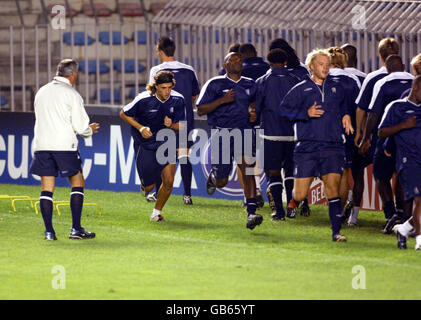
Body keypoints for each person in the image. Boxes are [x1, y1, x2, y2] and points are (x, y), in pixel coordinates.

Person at [280, 49, 354, 242]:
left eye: (328, 64)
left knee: (333, 189)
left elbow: (345, 105)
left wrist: (346, 115)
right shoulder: (301, 88)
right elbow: (284, 111)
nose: (326, 67)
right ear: (312, 67)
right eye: (321, 64)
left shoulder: (337, 87)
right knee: (301, 192)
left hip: (333, 146)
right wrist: (305, 113)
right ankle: (294, 201)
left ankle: (336, 232)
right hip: (307, 148)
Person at [29, 59, 99, 241]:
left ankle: (49, 232)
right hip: (64, 146)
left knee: (47, 188)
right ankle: (76, 229)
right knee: (77, 182)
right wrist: (89, 130)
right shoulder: (72, 95)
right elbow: (81, 126)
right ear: (73, 74)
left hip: (42, 145)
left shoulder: (42, 92)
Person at [197, 52, 262, 230]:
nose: (237, 62)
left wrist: (254, 112)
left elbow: (256, 105)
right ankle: (214, 177)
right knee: (222, 181)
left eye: (240, 59)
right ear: (225, 65)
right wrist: (222, 100)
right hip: (223, 134)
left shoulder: (250, 84)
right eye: (232, 59)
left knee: (248, 171)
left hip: (245, 132)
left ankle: (251, 212)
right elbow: (201, 109)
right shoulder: (214, 84)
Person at [120, 71, 185, 222]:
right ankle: (145, 187)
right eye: (163, 88)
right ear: (156, 87)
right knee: (149, 187)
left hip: (167, 143)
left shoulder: (178, 100)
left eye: (169, 87)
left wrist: (172, 125)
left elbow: (183, 125)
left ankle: (156, 213)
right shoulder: (143, 99)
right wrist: (141, 128)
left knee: (168, 181)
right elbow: (123, 113)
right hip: (146, 145)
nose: (167, 91)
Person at [359, 55, 414, 233]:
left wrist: (365, 137)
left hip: (388, 137)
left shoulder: (382, 83)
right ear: (404, 66)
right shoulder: (414, 81)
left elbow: (373, 114)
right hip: (411, 139)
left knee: (381, 175)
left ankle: (390, 213)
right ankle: (405, 217)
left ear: (387, 68)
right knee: (403, 176)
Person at [149, 36, 200, 205]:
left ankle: (157, 192)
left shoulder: (156, 70)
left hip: (162, 120)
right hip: (184, 119)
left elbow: (152, 94)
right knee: (184, 155)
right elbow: (194, 95)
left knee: (161, 156)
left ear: (160, 51)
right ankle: (187, 195)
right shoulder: (189, 69)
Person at [255, 48, 300, 220]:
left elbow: (257, 109)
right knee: (289, 171)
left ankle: (278, 212)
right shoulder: (296, 80)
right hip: (292, 134)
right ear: (285, 62)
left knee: (273, 172)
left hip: (270, 135)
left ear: (269, 62)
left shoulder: (262, 81)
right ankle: (291, 207)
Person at [268, 37, 311, 216]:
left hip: (274, 129)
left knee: (275, 169)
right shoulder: (302, 72)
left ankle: (281, 208)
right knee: (294, 167)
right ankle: (302, 203)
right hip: (298, 127)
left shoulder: (270, 75)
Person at [378, 75, 421, 250]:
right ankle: (419, 241)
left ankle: (403, 229)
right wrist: (403, 125)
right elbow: (381, 132)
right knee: (419, 200)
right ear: (416, 87)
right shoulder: (397, 107)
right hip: (408, 160)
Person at [326, 47, 362, 225]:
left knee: (327, 173)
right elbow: (360, 108)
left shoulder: (321, 77)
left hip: (323, 132)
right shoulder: (354, 79)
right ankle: (338, 214)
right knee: (344, 173)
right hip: (348, 132)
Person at [237, 43, 270, 209]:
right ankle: (267, 189)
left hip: (244, 122)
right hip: (266, 121)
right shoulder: (267, 68)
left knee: (245, 160)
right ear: (256, 52)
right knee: (264, 158)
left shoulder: (238, 70)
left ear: (241, 56)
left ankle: (250, 194)